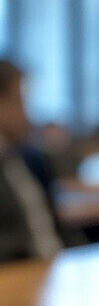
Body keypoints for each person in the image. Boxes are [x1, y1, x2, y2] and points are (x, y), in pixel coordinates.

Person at [0, 60, 64, 261]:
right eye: (21, 102)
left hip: (58, 270)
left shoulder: (30, 160)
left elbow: (61, 230)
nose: (27, 116)